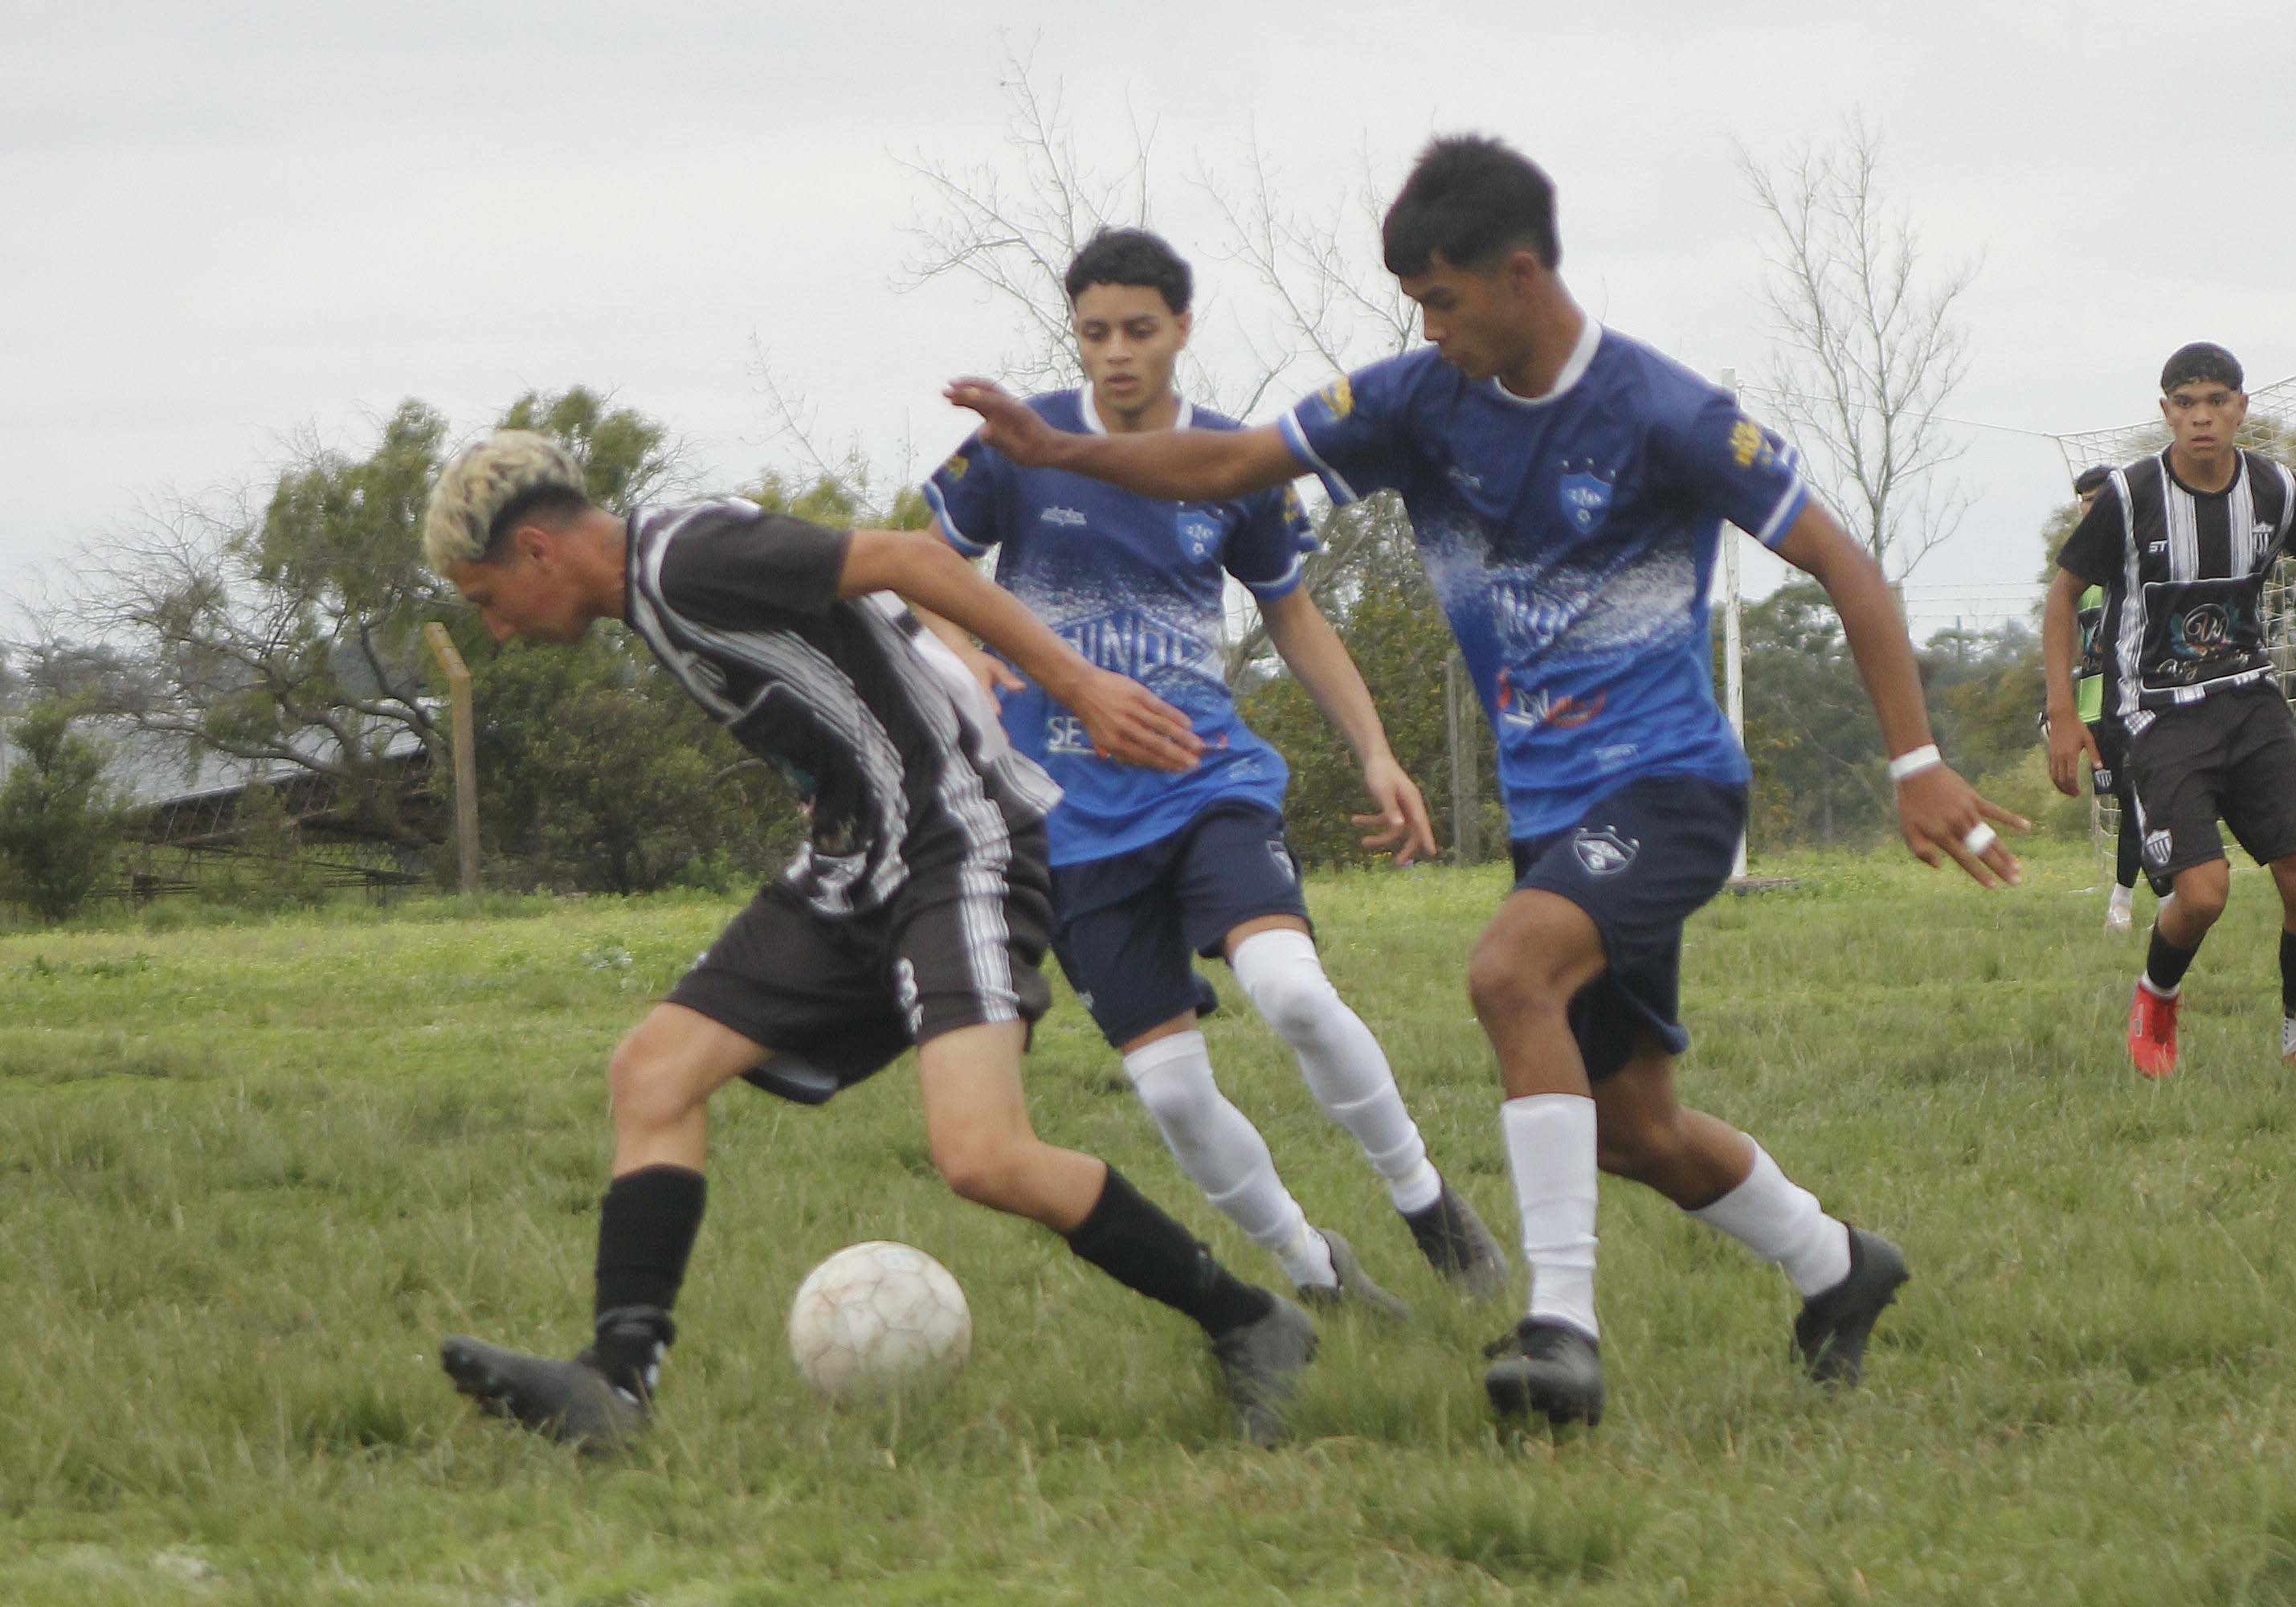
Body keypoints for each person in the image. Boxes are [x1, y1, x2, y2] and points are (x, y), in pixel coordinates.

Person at [947, 135, 2026, 1425]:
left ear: (1518, 275)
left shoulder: (1665, 414)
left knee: (1510, 970)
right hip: (1558, 810)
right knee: (1632, 1129)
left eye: (1441, 300)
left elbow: (1849, 567)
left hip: (1671, 785)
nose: (1427, 325)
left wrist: (1917, 762)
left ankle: (1559, 1329)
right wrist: (1056, 456)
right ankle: (1837, 1265)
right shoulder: (1415, 399)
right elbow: (1230, 468)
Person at [418, 431, 1318, 1450]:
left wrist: (1073, 684)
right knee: (653, 1074)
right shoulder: (657, 589)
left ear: (535, 550)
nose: (494, 630)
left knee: (982, 1155)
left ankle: (1251, 1321)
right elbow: (864, 621)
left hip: (955, 847)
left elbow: (913, 559)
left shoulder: (683, 558)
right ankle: (616, 1385)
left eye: (484, 598)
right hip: (857, 861)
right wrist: (891, 719)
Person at [920, 227, 1505, 1317]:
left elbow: (1292, 612)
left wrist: (1376, 752)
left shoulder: (1232, 460)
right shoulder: (1019, 442)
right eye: (1095, 333)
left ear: (1182, 329)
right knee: (1172, 1091)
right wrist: (964, 648)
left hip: (1207, 782)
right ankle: (1314, 1271)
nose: (1117, 353)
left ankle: (1425, 1200)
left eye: (1139, 330)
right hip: (1072, 822)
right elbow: (916, 568)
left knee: (1290, 989)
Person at [2042, 342, 2296, 1080]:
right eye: (2185, 404)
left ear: (2240, 407)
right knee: (2204, 896)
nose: (2201, 418)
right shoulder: (2130, 497)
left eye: (2215, 402)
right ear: (2165, 411)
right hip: (2157, 715)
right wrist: (2065, 714)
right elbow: (2064, 594)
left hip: (2250, 701)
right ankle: (2156, 996)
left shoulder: (2274, 489)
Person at [2057, 462, 2146, 933]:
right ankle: (2150, 898)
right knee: (2125, 805)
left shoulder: (2136, 561)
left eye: (2097, 500)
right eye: (2084, 503)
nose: (2089, 510)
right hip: (2092, 712)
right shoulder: (2079, 572)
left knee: (2138, 801)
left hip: (2134, 707)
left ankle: (2124, 903)